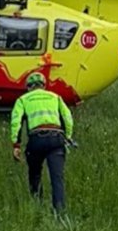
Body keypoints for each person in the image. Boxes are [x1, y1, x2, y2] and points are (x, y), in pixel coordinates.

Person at [9, 71, 74, 213]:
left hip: (36, 140)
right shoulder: (55, 97)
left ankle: (37, 206)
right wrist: (67, 137)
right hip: (56, 139)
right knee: (57, 177)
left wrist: (16, 144)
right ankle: (60, 212)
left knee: (35, 173)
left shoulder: (23, 100)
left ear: (28, 86)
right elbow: (67, 118)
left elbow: (16, 123)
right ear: (44, 85)